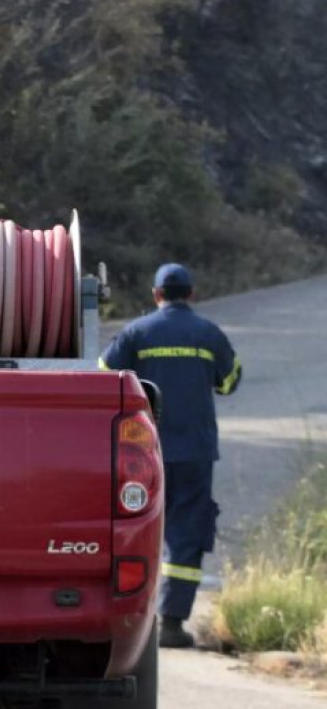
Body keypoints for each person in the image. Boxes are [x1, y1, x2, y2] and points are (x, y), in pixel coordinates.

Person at [101, 263, 242, 648]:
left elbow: (103, 375)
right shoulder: (208, 333)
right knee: (186, 535)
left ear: (156, 294)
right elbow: (229, 382)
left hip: (140, 452)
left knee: (132, 528)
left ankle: (126, 619)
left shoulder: (136, 332)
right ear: (191, 294)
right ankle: (172, 624)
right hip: (194, 453)